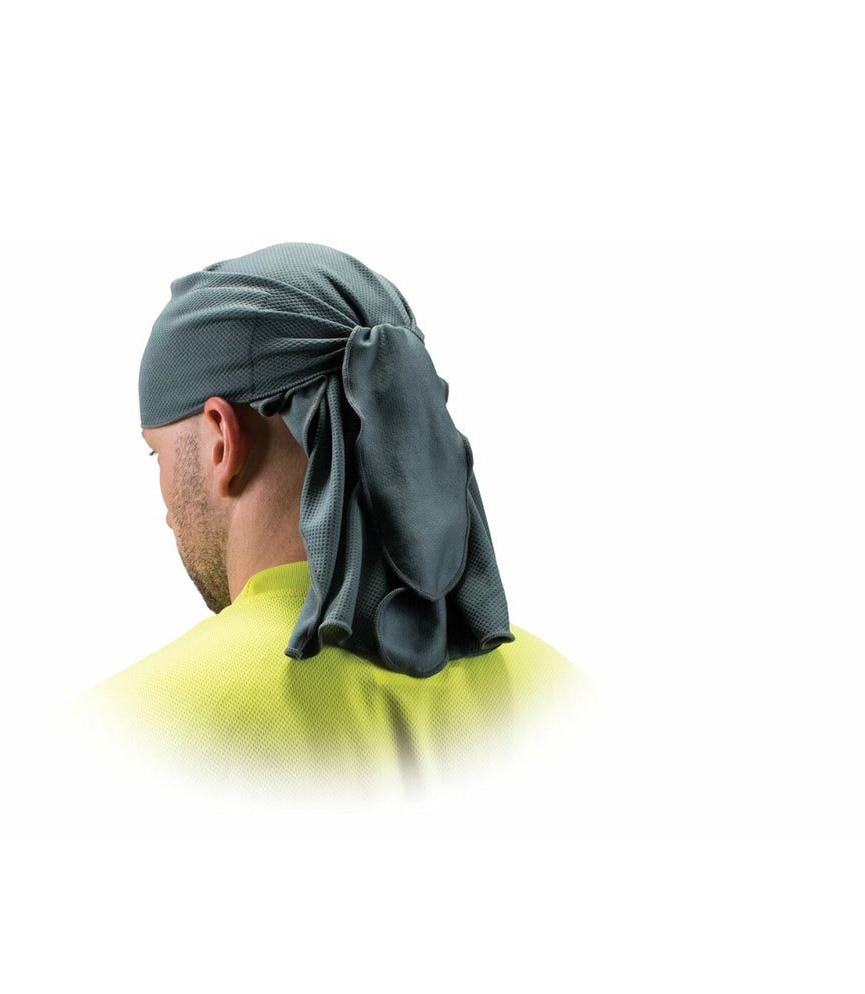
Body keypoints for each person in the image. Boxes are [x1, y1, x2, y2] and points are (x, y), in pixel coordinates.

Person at [70, 242, 597, 796]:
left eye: (157, 454)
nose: (167, 516)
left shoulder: (117, 738)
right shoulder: (570, 705)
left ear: (223, 442)